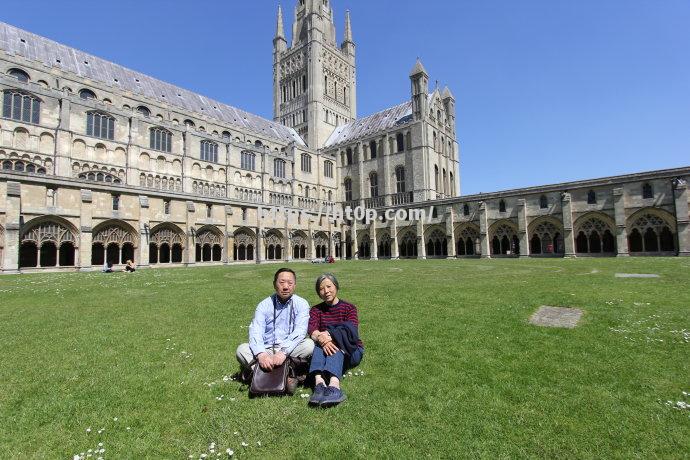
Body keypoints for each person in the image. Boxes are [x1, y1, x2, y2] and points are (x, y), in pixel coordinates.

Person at [236, 268, 314, 381]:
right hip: (267, 349)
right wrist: (261, 354)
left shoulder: (301, 304)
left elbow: (300, 332)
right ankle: (286, 374)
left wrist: (283, 353)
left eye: (290, 283)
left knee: (309, 345)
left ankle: (261, 374)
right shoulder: (264, 305)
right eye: (282, 282)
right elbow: (255, 331)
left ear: (295, 285)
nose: (286, 287)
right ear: (274, 284)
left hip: (289, 350)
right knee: (242, 350)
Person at [307, 273, 364, 407]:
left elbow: (351, 330)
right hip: (324, 350)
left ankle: (334, 386)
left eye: (329, 286)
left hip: (352, 351)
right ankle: (319, 384)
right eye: (321, 289)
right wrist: (322, 338)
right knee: (319, 343)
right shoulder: (316, 310)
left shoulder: (349, 308)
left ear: (336, 287)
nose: (326, 291)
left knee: (338, 341)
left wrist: (329, 335)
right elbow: (312, 329)